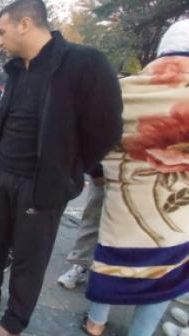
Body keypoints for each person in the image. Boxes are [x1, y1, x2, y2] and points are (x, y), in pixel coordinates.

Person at [0, 2, 123, 336]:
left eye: (1, 32)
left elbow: (107, 127)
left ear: (24, 24)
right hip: (2, 171)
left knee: (29, 257)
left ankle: (14, 322)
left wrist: (73, 167)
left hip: (42, 183)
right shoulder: (16, 68)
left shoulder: (83, 63)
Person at [81, 19, 189, 336]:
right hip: (176, 213)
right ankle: (140, 332)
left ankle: (95, 323)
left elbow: (91, 137)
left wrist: (99, 174)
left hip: (122, 203)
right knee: (166, 274)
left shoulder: (121, 89)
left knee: (110, 255)